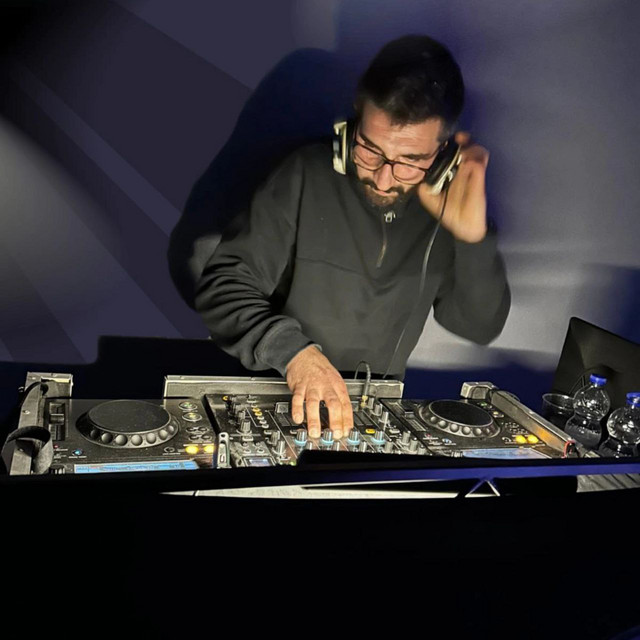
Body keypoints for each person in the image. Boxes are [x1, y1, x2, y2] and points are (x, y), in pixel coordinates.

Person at [188, 35, 510, 440]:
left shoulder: (452, 209)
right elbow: (222, 287)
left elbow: (478, 326)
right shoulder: (304, 173)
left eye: (410, 162)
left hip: (371, 417)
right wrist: (296, 355)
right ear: (354, 120)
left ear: (444, 154)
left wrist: (473, 240)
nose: (383, 178)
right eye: (369, 150)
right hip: (277, 396)